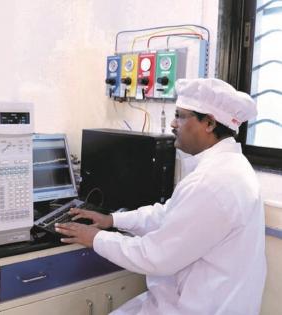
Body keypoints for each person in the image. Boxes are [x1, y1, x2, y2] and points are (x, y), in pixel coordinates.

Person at [55, 78, 266, 315]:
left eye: (181, 116)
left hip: (198, 307)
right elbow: (169, 214)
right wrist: (113, 220)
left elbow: (155, 255)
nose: (173, 124)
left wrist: (95, 238)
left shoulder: (211, 182)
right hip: (198, 299)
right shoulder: (231, 166)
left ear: (209, 123)